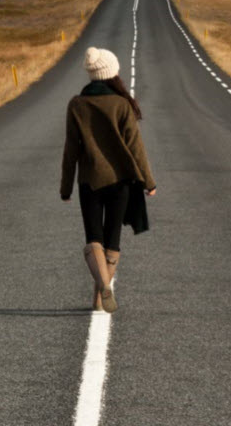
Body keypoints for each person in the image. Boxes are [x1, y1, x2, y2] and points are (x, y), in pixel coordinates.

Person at [61, 46, 157, 313]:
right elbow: (136, 147)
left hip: (89, 182)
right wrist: (149, 182)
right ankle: (105, 290)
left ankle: (99, 293)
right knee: (112, 241)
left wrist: (65, 187)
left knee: (94, 239)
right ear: (111, 73)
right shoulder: (122, 104)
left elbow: (71, 150)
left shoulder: (76, 104)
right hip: (121, 183)